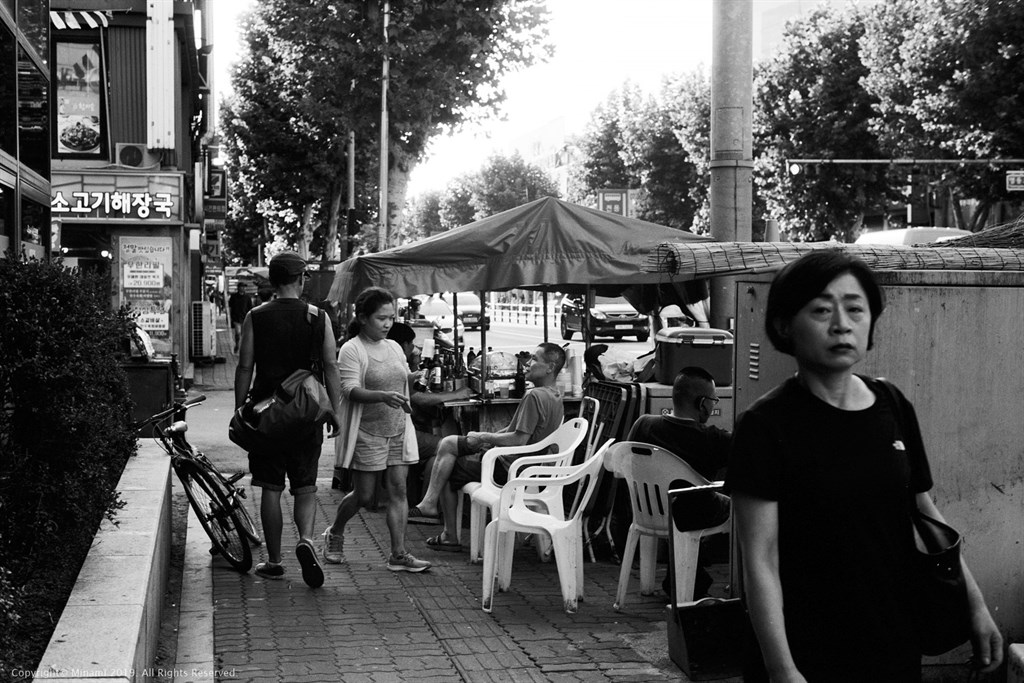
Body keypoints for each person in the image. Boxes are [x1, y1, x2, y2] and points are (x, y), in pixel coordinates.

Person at [727, 250, 1002, 682]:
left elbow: (926, 514)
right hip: (806, 649)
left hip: (893, 643)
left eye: (855, 308)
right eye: (821, 310)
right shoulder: (765, 425)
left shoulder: (892, 405)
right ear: (784, 325)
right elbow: (760, 558)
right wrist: (782, 669)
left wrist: (976, 605)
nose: (842, 323)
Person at [234, 252, 341, 587]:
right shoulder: (317, 316)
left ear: (273, 279)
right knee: (305, 486)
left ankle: (274, 560)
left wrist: (240, 409)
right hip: (306, 413)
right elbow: (331, 366)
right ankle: (306, 540)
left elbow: (244, 366)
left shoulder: (256, 315)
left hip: (266, 416)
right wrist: (334, 410)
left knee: (269, 487)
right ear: (301, 278)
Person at [408, 342, 566, 551]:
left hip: (509, 468)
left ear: (550, 367)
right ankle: (429, 504)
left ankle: (447, 532)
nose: (528, 363)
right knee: (448, 443)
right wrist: (484, 439)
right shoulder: (555, 395)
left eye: (535, 359)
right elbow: (513, 430)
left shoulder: (534, 396)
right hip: (523, 464)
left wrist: (484, 436)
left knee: (446, 467)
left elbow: (518, 440)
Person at [323, 287, 432, 573]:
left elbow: (401, 381)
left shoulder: (395, 347)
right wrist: (382, 395)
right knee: (365, 496)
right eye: (381, 318)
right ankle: (335, 531)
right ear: (362, 318)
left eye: (391, 318)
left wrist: (412, 377)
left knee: (399, 491)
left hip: (397, 429)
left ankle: (398, 554)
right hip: (368, 432)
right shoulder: (352, 348)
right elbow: (349, 390)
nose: (387, 324)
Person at [626, 366, 731, 598]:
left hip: (650, 513)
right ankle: (741, 583)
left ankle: (686, 574)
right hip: (693, 516)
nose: (713, 405)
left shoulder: (643, 424)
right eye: (713, 400)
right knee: (739, 505)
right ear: (703, 403)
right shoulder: (712, 438)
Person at [228, 284, 254, 353]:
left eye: (244, 287)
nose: (243, 288)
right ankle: (237, 345)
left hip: (245, 318)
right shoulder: (233, 296)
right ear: (238, 288)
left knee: (244, 334)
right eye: (242, 287)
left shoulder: (247, 297)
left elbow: (250, 308)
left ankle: (241, 347)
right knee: (238, 333)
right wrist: (229, 317)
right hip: (236, 318)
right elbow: (230, 307)